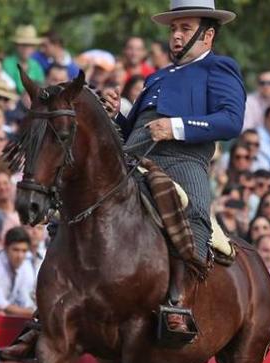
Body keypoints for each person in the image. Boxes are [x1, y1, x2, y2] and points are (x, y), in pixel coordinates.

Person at [103, 1, 244, 334]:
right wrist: (116, 117)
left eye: (185, 28)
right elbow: (136, 130)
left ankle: (179, 304)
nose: (176, 36)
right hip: (131, 158)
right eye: (173, 29)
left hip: (182, 160)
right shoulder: (157, 76)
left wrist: (177, 127)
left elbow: (231, 120)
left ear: (207, 35)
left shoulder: (220, 68)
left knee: (194, 209)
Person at [0, 227, 36, 317]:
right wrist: (31, 312)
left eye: (24, 251)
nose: (20, 256)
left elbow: (25, 299)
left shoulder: (26, 265)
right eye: (15, 250)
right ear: (6, 248)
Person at [3, 25, 45, 94]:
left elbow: (41, 86)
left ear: (34, 47)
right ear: (16, 46)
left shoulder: (36, 65)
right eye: (23, 45)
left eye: (30, 45)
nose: (26, 48)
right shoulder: (7, 63)